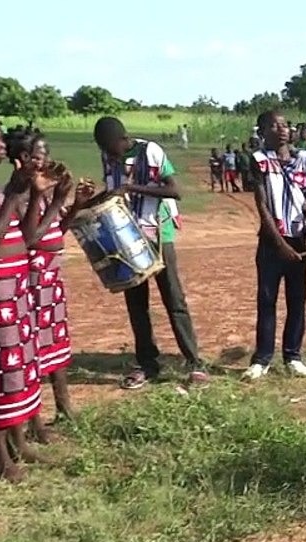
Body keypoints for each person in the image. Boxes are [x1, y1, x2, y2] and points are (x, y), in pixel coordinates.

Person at [0, 111, 57, 479]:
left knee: (20, 364)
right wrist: (16, 193)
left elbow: (24, 233)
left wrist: (36, 194)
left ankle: (19, 444)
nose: (2, 144)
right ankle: (0, 460)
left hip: (14, 280)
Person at [94, 116, 208, 390]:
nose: (109, 154)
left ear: (122, 139)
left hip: (157, 233)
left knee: (174, 299)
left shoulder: (150, 151)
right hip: (126, 237)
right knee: (136, 303)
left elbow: (174, 190)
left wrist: (131, 187)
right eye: (105, 150)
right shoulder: (108, 157)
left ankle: (195, 363)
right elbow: (114, 193)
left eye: (111, 148)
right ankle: (147, 362)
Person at [242, 110, 306, 381]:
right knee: (267, 300)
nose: (282, 129)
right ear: (263, 132)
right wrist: (279, 242)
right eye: (274, 125)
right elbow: (262, 206)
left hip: (300, 238)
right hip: (272, 241)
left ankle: (293, 356)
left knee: (297, 301)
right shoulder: (259, 161)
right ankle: (262, 359)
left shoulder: (304, 159)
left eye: (285, 125)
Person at [6, 129, 77, 437]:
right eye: (39, 155)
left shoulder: (41, 190)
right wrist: (53, 200)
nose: (46, 160)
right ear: (23, 159)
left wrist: (72, 205)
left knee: (54, 345)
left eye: (46, 154)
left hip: (49, 273)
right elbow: (30, 238)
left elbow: (56, 232)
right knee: (33, 349)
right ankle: (35, 422)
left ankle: (64, 406)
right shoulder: (20, 193)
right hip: (32, 276)